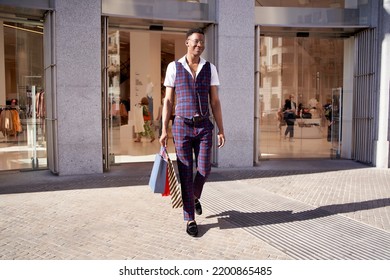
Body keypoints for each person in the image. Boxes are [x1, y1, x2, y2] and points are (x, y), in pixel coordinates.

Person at [159, 28, 226, 237]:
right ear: (187, 42)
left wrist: (221, 129)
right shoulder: (174, 67)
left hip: (204, 125)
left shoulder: (210, 68)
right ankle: (189, 219)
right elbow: (168, 100)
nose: (199, 45)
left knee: (205, 168)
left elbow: (214, 100)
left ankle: (193, 196)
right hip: (181, 125)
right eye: (196, 41)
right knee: (186, 173)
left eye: (202, 42)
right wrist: (164, 129)